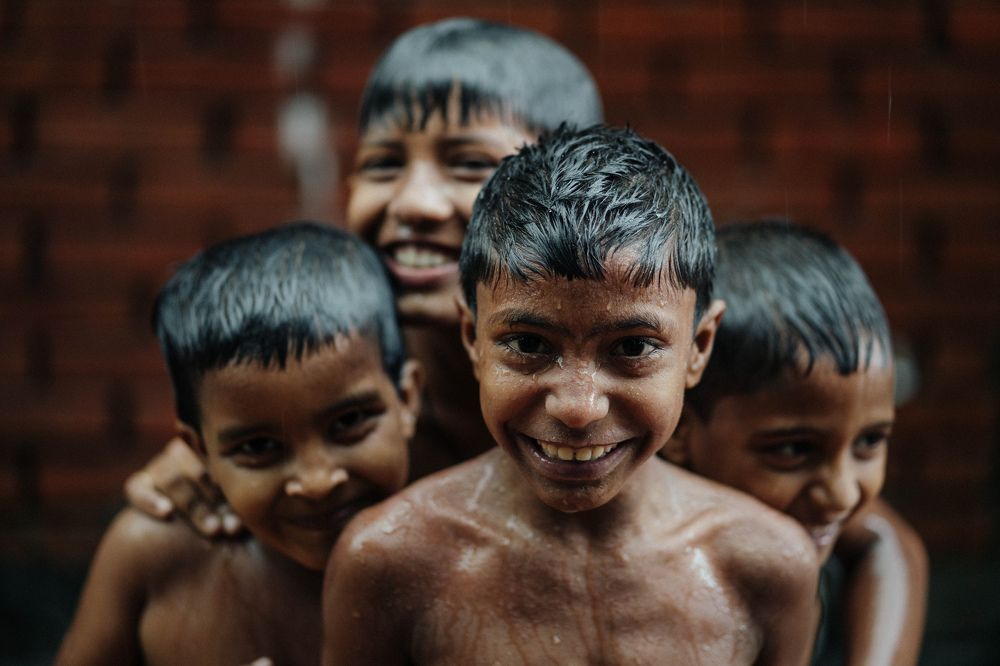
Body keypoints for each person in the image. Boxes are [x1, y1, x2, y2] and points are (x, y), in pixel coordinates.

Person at [321, 125, 820, 665]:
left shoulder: (764, 566)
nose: (579, 408)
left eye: (632, 347)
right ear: (472, 338)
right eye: (529, 343)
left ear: (699, 347)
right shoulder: (392, 562)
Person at [124, 17, 604, 528]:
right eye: (383, 164)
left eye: (468, 165)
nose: (415, 202)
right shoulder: (334, 393)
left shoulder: (633, 393)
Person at [56, 223, 422, 665]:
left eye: (349, 422)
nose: (317, 481)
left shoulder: (462, 555)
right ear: (198, 450)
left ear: (407, 399)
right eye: (259, 447)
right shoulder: (154, 556)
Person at [659, 219, 928, 665]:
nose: (841, 495)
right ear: (679, 430)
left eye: (869, 441)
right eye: (793, 450)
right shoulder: (640, 566)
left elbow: (886, 538)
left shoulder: (809, 525)